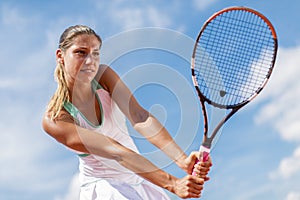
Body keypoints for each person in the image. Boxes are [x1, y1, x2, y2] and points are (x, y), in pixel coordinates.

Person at [42, 25, 212, 200]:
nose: (90, 61)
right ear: (60, 56)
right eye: (81, 52)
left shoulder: (103, 76)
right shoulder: (55, 118)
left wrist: (182, 160)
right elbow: (116, 151)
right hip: (104, 189)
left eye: (95, 53)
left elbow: (140, 117)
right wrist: (173, 183)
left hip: (139, 179)